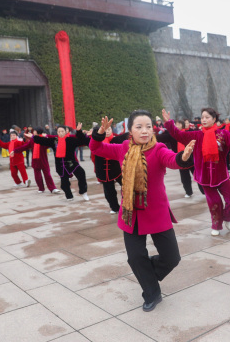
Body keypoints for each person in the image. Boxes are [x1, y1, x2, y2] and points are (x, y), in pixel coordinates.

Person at [90, 111, 195, 312]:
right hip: (131, 213)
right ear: (130, 130)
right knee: (136, 257)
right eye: (139, 127)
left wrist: (183, 157)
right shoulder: (123, 148)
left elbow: (172, 160)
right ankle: (151, 293)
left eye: (148, 126)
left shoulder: (159, 149)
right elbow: (96, 148)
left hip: (156, 212)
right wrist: (99, 133)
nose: (144, 131)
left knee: (172, 258)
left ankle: (146, 274)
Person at [162, 107, 230, 236]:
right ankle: (216, 225)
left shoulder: (223, 134)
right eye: (202, 117)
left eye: (207, 117)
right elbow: (179, 135)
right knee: (215, 203)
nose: (204, 120)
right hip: (204, 177)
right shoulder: (196, 135)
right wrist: (169, 123)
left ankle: (228, 218)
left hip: (221, 175)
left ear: (214, 119)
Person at [32, 124, 89, 201]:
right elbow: (42, 140)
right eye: (59, 131)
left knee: (81, 173)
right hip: (60, 165)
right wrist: (34, 136)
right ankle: (69, 196)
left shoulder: (70, 140)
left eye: (62, 131)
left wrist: (79, 132)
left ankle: (83, 192)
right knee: (64, 183)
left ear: (66, 132)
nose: (60, 133)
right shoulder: (54, 141)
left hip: (71, 163)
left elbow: (82, 141)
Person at [90, 125, 125, 212]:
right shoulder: (97, 142)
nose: (107, 131)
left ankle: (130, 204)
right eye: (105, 130)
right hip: (103, 171)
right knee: (109, 192)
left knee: (126, 186)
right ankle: (115, 208)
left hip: (117, 170)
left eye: (109, 129)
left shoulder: (117, 139)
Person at [17, 127, 59, 194]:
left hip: (43, 160)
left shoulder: (43, 140)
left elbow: (51, 142)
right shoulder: (32, 140)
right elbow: (25, 146)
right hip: (35, 161)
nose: (33, 132)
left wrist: (47, 137)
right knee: (37, 176)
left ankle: (52, 188)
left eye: (35, 131)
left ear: (37, 132)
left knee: (47, 175)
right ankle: (41, 188)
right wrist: (15, 150)